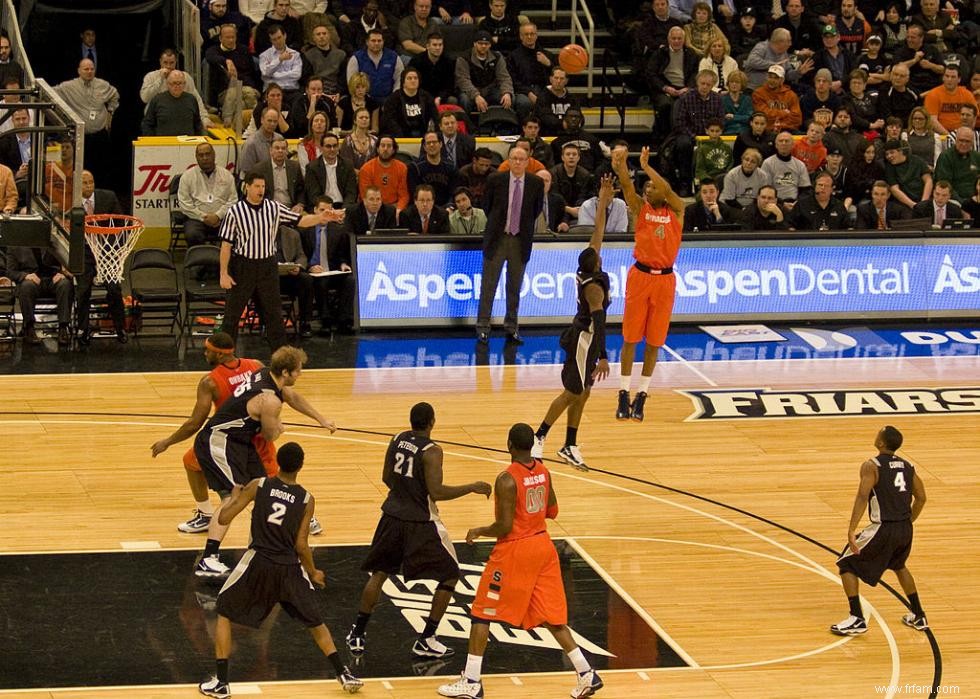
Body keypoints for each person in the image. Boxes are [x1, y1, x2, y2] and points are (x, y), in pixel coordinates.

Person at [437, 423, 603, 699]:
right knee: (550, 617)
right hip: (543, 547)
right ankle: (586, 672)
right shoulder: (544, 471)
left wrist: (479, 530)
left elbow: (503, 526)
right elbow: (552, 510)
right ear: (530, 446)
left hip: (516, 550)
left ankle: (472, 680)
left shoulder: (506, 479)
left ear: (509, 445)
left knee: (481, 612)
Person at [197, 442, 363, 698]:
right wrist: (313, 571)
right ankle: (343, 673)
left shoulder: (259, 485)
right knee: (315, 622)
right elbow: (301, 544)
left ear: (278, 463)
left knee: (223, 610)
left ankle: (221, 682)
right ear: (300, 466)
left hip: (259, 562)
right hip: (288, 568)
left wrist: (234, 494)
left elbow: (223, 518)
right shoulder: (307, 499)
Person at [346, 402, 491, 659]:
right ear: (432, 422)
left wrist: (403, 492)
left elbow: (386, 477)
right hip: (421, 523)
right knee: (450, 575)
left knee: (379, 574)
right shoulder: (432, 451)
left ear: (411, 421)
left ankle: (357, 632)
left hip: (391, 515)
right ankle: (427, 638)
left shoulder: (398, 438)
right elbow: (436, 492)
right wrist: (471, 487)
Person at [150, 332, 321, 532]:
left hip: (238, 437)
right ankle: (206, 514)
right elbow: (287, 395)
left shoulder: (210, 381)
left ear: (221, 355)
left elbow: (194, 423)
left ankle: (302, 517)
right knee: (192, 461)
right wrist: (320, 418)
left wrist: (168, 441)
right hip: (240, 435)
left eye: (209, 350)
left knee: (270, 484)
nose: (205, 353)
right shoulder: (256, 365)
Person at [190, 346, 331, 577]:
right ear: (286, 372)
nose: (301, 374)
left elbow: (292, 396)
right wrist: (278, 427)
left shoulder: (265, 373)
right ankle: (209, 558)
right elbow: (268, 436)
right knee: (232, 496)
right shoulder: (269, 401)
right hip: (219, 440)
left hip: (240, 442)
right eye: (298, 371)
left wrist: (320, 419)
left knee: (265, 492)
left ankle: (255, 553)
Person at [531, 176, 614, 470]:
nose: (601, 255)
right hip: (585, 340)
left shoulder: (589, 265)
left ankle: (569, 444)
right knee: (573, 392)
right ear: (596, 265)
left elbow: (598, 234)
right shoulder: (593, 289)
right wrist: (603, 356)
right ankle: (538, 436)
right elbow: (600, 323)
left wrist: (603, 200)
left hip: (586, 339)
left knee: (585, 391)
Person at [219, 171, 345, 349]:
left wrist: (320, 218)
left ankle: (281, 356)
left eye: (263, 186)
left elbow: (300, 220)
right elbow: (226, 245)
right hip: (243, 265)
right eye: (256, 186)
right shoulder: (235, 211)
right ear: (246, 187)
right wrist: (223, 273)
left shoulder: (273, 208)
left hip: (267, 266)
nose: (261, 190)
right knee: (232, 314)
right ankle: (223, 355)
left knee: (274, 315)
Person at [831, 426, 929, 636]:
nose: (876, 434)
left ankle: (857, 618)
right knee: (899, 565)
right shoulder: (907, 465)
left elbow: (862, 496)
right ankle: (919, 614)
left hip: (883, 528)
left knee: (845, 563)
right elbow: (921, 497)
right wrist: (908, 520)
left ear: (881, 443)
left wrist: (851, 530)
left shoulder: (871, 466)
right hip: (905, 528)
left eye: (879, 433)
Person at [611, 146, 683, 422]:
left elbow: (666, 189)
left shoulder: (677, 210)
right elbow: (627, 184)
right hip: (640, 276)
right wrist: (620, 163)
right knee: (630, 338)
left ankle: (642, 394)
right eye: (648, 186)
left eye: (653, 186)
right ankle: (623, 392)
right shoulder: (641, 209)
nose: (650, 189)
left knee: (654, 342)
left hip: (665, 279)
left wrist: (647, 166)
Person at [475, 146, 544, 344]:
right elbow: (487, 206)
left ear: (527, 161)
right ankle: (483, 327)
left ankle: (511, 327)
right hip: (498, 238)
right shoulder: (496, 180)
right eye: (514, 158)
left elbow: (535, 210)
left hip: (520, 240)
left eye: (521, 159)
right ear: (509, 160)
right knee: (488, 285)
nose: (517, 162)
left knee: (514, 287)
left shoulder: (536, 183)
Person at [74, 170, 127, 345]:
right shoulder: (71, 203)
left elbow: (121, 228)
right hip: (84, 254)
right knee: (82, 291)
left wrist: (114, 252)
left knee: (114, 289)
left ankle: (120, 328)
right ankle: (82, 329)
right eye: (84, 183)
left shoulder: (108, 197)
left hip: (107, 253)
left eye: (91, 182)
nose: (89, 186)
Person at [301, 195, 358, 334]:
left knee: (350, 280)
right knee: (320, 282)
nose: (325, 214)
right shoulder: (304, 231)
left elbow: (342, 255)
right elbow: (301, 254)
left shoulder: (338, 231)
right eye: (322, 210)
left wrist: (344, 264)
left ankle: (345, 320)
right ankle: (325, 320)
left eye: (329, 211)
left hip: (332, 271)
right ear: (315, 210)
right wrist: (310, 266)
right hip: (314, 272)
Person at [178, 143, 239, 247]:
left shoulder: (226, 175)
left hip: (222, 219)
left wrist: (218, 215)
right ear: (196, 157)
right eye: (201, 155)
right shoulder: (187, 176)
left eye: (208, 154)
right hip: (196, 219)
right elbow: (185, 204)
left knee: (236, 231)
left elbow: (233, 201)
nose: (205, 158)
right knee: (192, 234)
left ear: (214, 155)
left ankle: (227, 262)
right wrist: (204, 217)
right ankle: (199, 262)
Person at [304, 131, 359, 209]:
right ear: (321, 148)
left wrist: (344, 209)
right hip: (323, 208)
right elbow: (314, 195)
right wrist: (328, 210)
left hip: (344, 205)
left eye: (335, 146)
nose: (332, 149)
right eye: (328, 146)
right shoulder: (312, 167)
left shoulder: (347, 165)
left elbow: (351, 192)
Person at [141, 69, 204, 136]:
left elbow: (197, 124)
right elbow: (147, 124)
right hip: (164, 143)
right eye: (174, 83)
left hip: (187, 142)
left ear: (184, 84)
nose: (177, 86)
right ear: (167, 84)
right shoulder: (157, 100)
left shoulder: (191, 99)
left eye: (180, 83)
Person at [358, 134, 410, 212]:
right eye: (382, 146)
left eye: (389, 146)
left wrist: (399, 209)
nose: (385, 149)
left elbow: (404, 196)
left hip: (395, 208)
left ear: (393, 150)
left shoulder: (402, 168)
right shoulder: (366, 169)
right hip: (372, 208)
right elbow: (365, 196)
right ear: (378, 149)